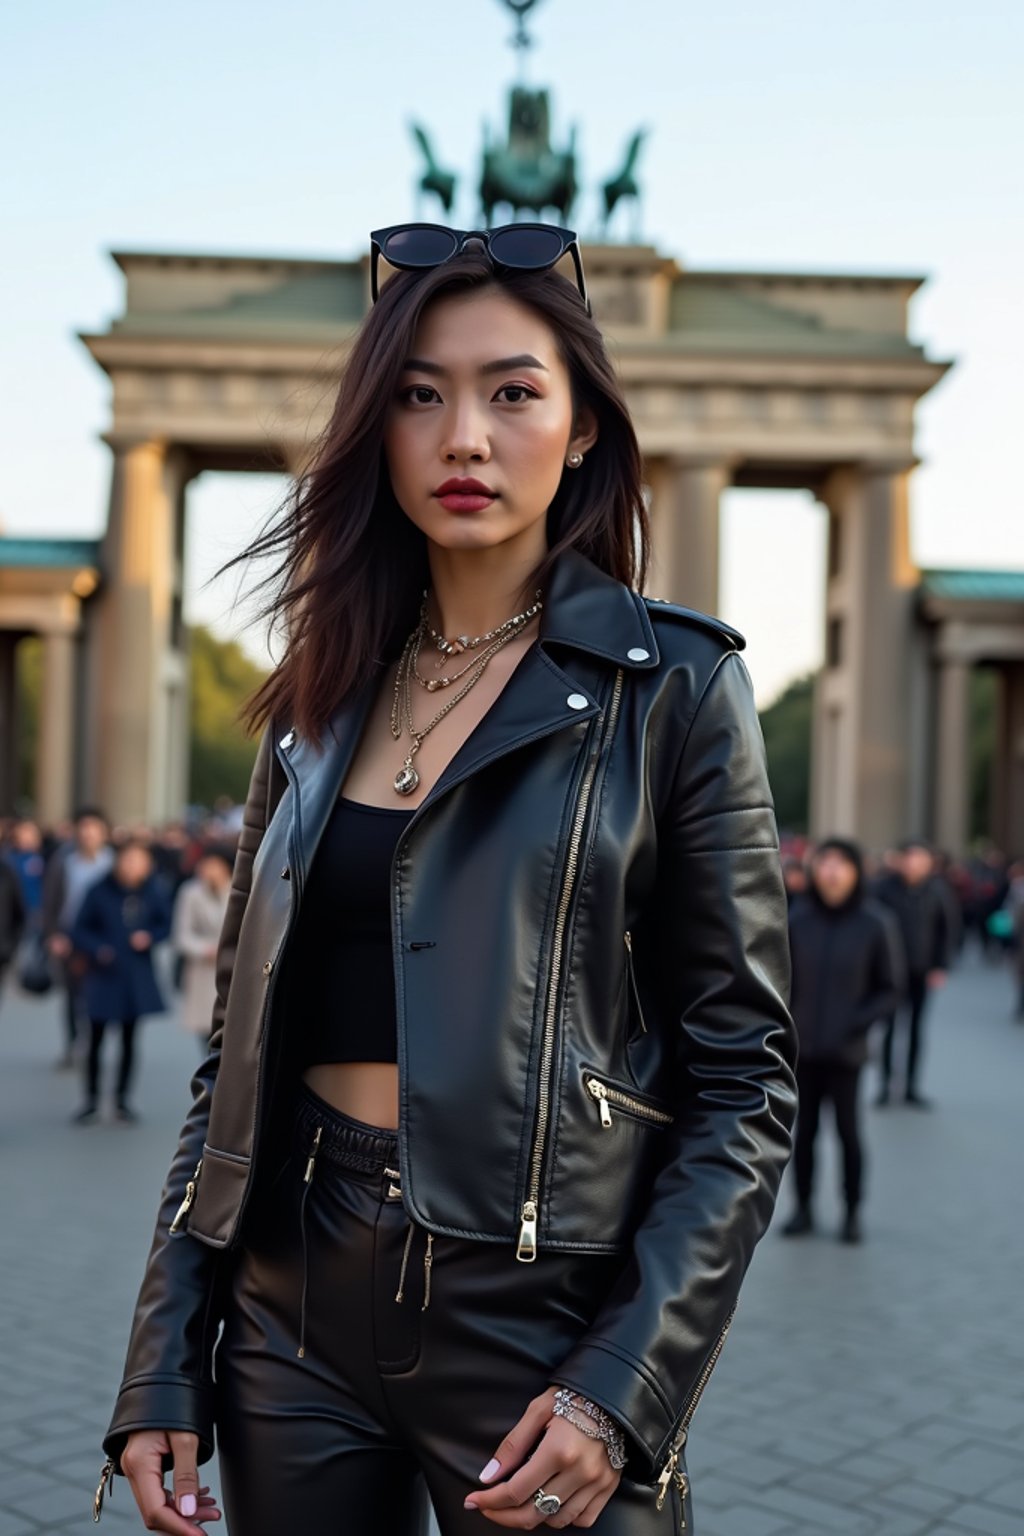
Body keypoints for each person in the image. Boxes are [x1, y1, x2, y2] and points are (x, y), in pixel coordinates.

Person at [94, 223, 796, 1536]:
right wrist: (162, 1350)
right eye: (419, 394)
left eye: (512, 391)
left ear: (582, 426)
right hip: (288, 1310)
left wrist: (624, 1383)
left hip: (541, 1324)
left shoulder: (678, 689)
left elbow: (745, 1083)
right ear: (379, 427)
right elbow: (231, 1065)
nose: (463, 435)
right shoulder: (318, 697)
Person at [782, 838, 903, 1243]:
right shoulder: (797, 919)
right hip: (802, 1050)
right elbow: (778, 982)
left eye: (841, 865)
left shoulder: (875, 923)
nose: (832, 872)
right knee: (805, 1135)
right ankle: (802, 1209)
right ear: (815, 871)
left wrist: (856, 1022)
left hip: (847, 1052)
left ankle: (852, 1211)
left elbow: (890, 988)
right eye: (825, 864)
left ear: (855, 872)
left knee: (849, 1134)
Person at [69, 838, 172, 1124]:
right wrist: (98, 948)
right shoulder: (99, 889)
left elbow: (165, 923)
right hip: (103, 974)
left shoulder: (153, 890)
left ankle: (122, 1099)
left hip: (135, 974)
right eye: (127, 860)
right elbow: (78, 928)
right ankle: (90, 1099)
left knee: (130, 1038)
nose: (132, 866)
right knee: (96, 1038)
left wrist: (150, 936)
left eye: (139, 861)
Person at [873, 838, 953, 1108]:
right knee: (889, 1029)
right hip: (890, 972)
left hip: (922, 971)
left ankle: (911, 1088)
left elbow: (947, 930)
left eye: (920, 859)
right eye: (909, 858)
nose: (913, 864)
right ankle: (884, 1087)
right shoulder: (884, 889)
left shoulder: (937, 890)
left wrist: (940, 966)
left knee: (916, 1030)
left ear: (930, 863)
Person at [41, 806, 114, 1068]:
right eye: (84, 829)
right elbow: (49, 902)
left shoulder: (113, 863)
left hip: (104, 938)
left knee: (100, 993)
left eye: (95, 830)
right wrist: (53, 935)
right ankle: (74, 1044)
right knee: (73, 996)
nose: (89, 835)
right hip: (70, 938)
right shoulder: (64, 862)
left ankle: (95, 1045)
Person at [171, 848, 233, 1053]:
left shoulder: (239, 890)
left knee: (232, 1027)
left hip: (232, 967)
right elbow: (181, 934)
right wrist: (205, 949)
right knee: (207, 1035)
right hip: (202, 970)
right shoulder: (190, 892)